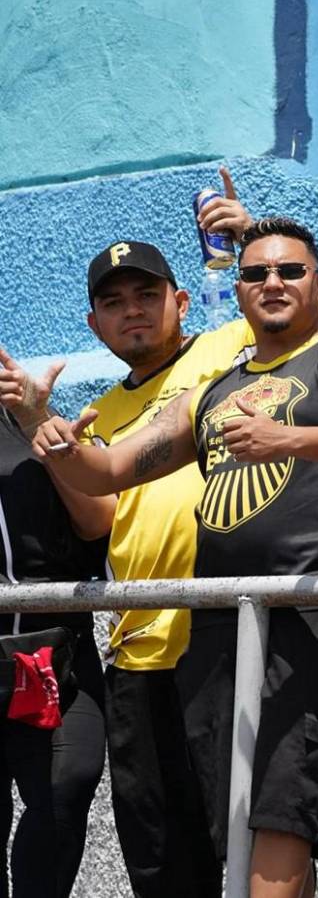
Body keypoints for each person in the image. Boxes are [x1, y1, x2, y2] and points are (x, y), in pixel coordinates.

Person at [34, 216, 318, 898]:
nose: (272, 283)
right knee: (231, 826)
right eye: (256, 274)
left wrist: (284, 439)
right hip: (214, 626)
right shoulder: (211, 391)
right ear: (239, 292)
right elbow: (109, 469)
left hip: (306, 611)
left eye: (290, 272)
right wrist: (51, 436)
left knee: (282, 809)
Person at [0, 354, 108, 898]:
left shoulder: (35, 420)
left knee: (66, 788)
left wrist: (37, 419)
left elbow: (98, 525)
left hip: (56, 657)